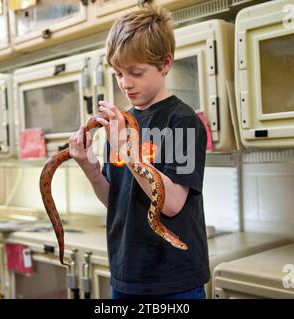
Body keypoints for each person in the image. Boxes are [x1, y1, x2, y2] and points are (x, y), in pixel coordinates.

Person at [68, 4, 209, 299]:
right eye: (119, 73)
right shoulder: (120, 123)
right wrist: (91, 168)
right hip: (126, 273)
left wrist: (127, 151)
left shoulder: (181, 121)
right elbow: (116, 200)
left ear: (166, 63)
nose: (125, 83)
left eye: (135, 72)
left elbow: (170, 204)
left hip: (173, 281)